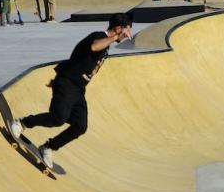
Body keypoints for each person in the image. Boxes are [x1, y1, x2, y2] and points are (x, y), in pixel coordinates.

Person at [10, 13, 133, 168]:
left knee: (80, 126)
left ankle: (48, 147)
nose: (129, 34)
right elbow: (94, 46)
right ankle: (22, 123)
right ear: (118, 28)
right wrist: (115, 37)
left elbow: (89, 64)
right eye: (127, 30)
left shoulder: (106, 46)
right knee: (58, 118)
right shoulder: (99, 36)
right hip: (67, 82)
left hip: (78, 89)